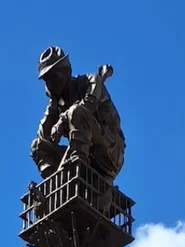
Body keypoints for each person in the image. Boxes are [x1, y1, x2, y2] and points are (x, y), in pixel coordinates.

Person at [31, 47, 125, 184]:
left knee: (76, 112)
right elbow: (43, 137)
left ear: (66, 72)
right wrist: (53, 104)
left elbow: (88, 105)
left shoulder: (91, 81)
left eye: (53, 77)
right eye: (47, 80)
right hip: (86, 152)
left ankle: (77, 167)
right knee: (37, 145)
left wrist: (62, 120)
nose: (50, 83)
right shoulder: (57, 103)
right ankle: (56, 183)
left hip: (109, 151)